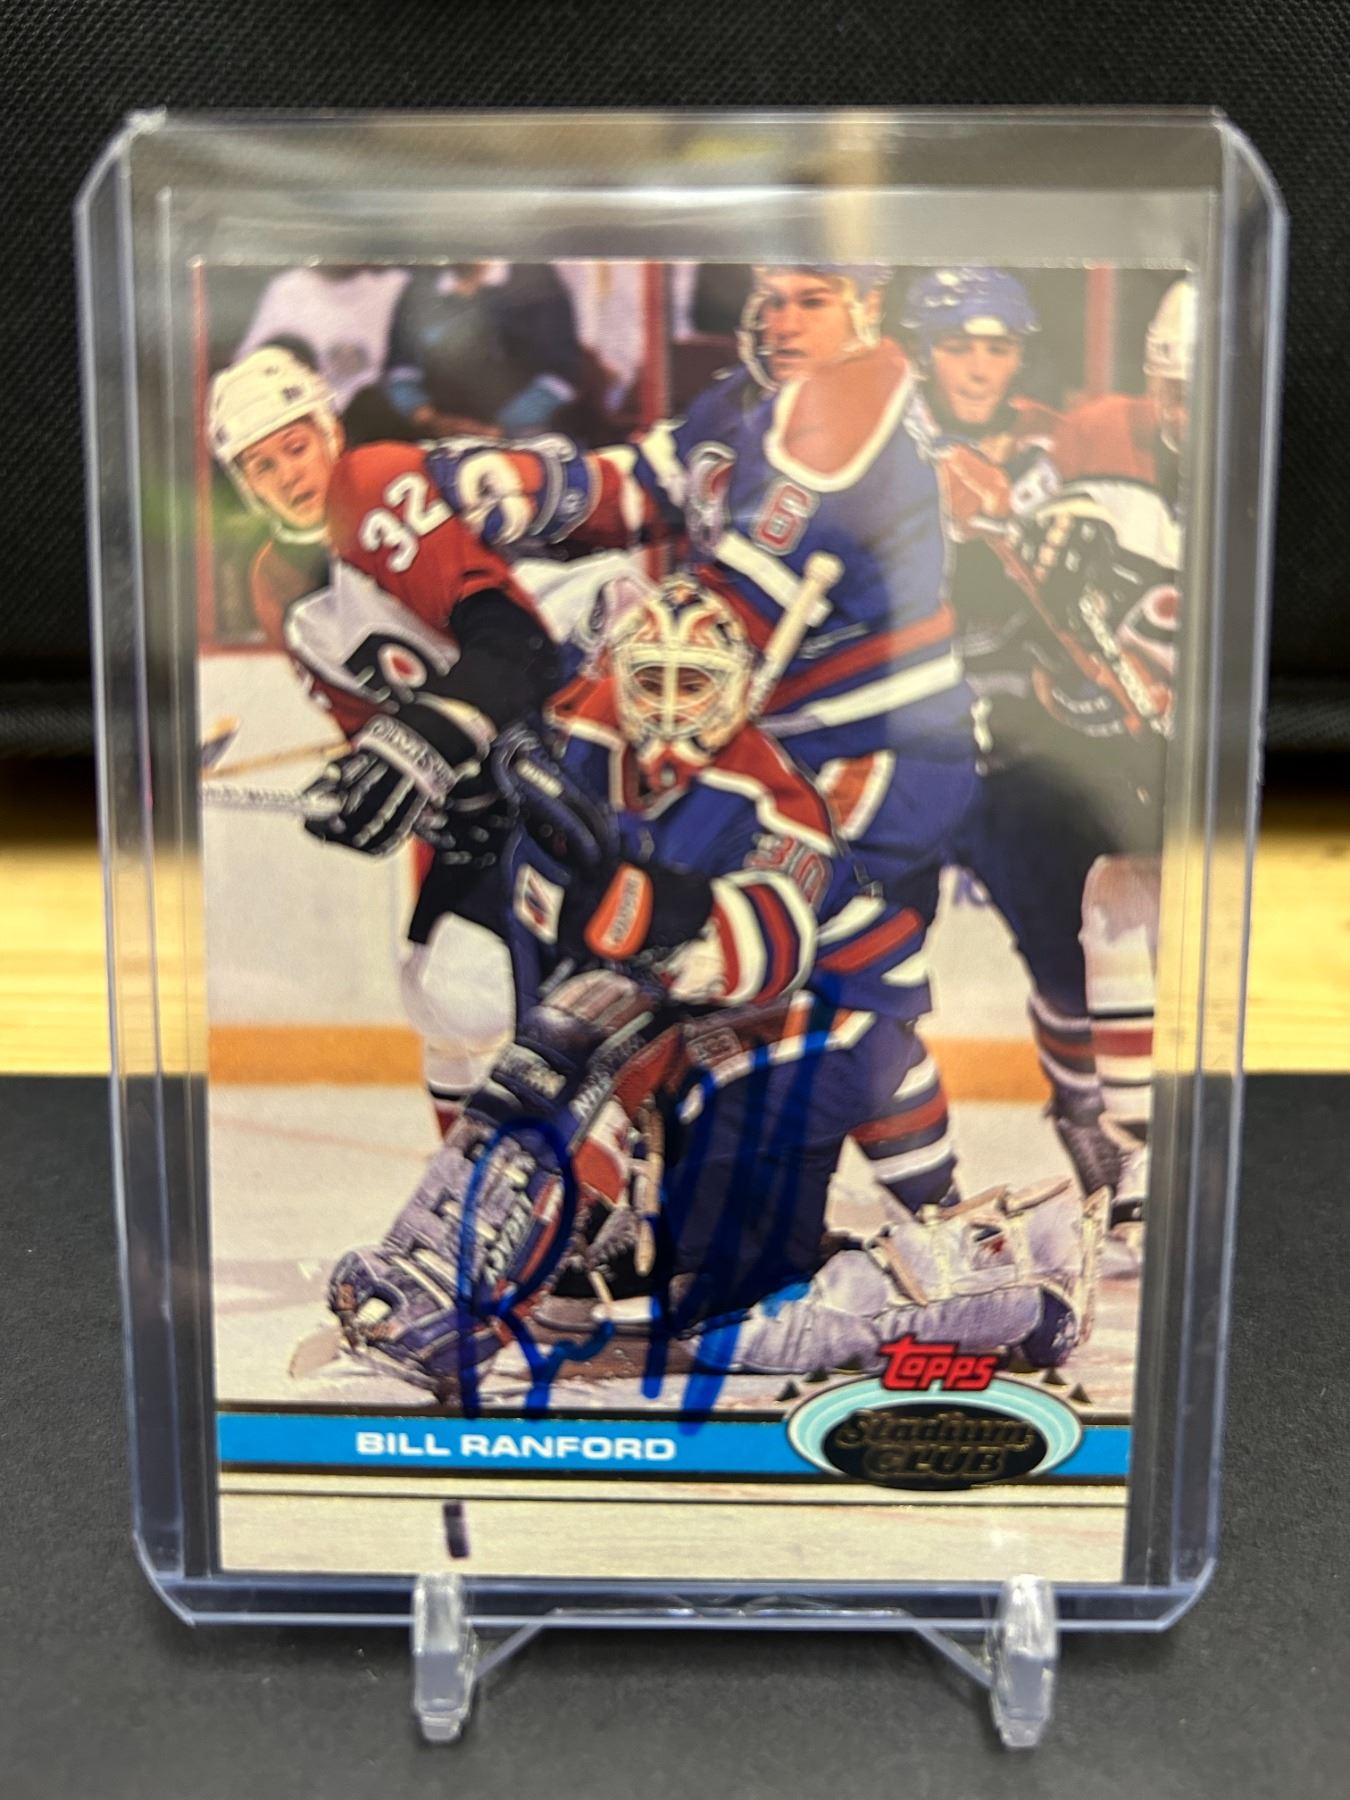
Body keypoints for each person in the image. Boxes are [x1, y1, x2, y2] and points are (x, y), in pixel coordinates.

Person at [327, 578, 1101, 1400]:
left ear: (737, 690)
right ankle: (439, 1275)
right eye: (649, 679)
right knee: (562, 1035)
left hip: (812, 1033)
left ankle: (1022, 1285)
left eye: (691, 682)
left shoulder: (775, 798)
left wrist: (639, 903)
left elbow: (756, 952)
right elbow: (547, 896)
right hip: (704, 1035)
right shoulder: (587, 739)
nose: (665, 707)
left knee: (740, 1326)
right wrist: (449, 792)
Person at [427, 263, 979, 1217]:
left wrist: (567, 701)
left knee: (818, 961)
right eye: (772, 299)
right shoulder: (743, 402)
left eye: (813, 300)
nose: (783, 320)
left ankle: (934, 1214)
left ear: (869, 308)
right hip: (770, 756)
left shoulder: (851, 411)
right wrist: (523, 481)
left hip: (876, 759)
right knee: (689, 952)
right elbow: (644, 481)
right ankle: (637, 1198)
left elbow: (728, 615)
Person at [206, 344, 565, 1132]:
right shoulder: (276, 584)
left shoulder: (377, 482)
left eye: (296, 446)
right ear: (245, 484)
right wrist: (367, 789)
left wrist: (425, 749)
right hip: (483, 774)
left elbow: (514, 643)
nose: (289, 475)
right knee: (433, 996)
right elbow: (373, 727)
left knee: (478, 990)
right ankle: (457, 1182)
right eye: (263, 465)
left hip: (559, 744)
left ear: (330, 432)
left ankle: (569, 1163)